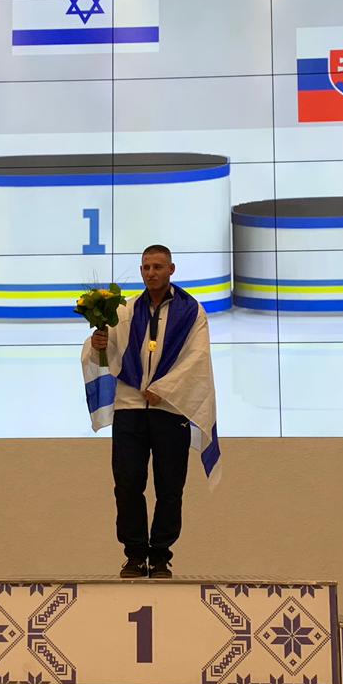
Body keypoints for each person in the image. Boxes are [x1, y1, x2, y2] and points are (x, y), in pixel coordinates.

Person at [85, 244, 220, 579]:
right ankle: (134, 555)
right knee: (127, 482)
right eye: (146, 267)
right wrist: (97, 343)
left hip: (170, 409)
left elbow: (197, 358)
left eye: (158, 267)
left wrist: (165, 388)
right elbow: (109, 349)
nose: (151, 273)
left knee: (170, 486)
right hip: (130, 407)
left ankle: (160, 556)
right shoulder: (126, 309)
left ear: (171, 269)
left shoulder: (192, 311)